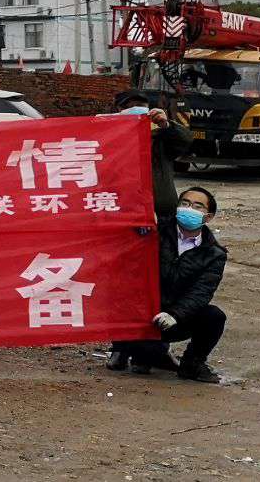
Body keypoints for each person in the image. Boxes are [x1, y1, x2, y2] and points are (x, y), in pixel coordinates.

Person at [105, 87, 193, 372]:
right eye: (129, 106)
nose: (136, 111)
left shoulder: (159, 140)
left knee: (159, 284)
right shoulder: (107, 139)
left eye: (141, 106)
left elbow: (186, 142)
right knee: (124, 287)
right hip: (122, 223)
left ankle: (154, 350)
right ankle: (120, 347)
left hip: (162, 221)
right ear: (117, 111)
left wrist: (167, 125)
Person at [127, 187, 229, 383]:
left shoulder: (214, 254)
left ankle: (192, 364)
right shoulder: (155, 233)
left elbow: (201, 292)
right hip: (143, 314)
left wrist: (175, 314)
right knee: (143, 358)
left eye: (197, 206)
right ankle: (126, 350)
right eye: (185, 203)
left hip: (176, 318)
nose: (189, 209)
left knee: (214, 316)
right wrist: (137, 229)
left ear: (208, 217)